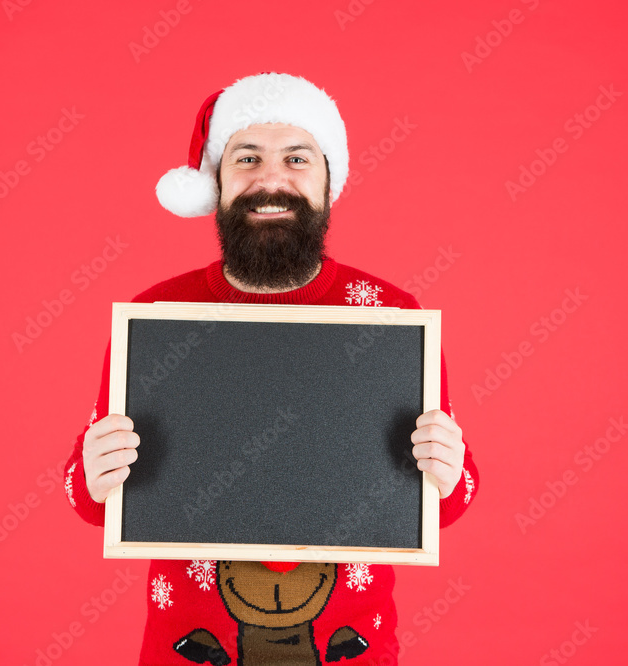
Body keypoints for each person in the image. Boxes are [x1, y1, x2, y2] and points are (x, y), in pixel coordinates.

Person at [64, 72, 479, 665]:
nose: (271, 179)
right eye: (248, 157)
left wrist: (450, 468)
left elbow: (453, 497)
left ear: (329, 181)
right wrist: (92, 472)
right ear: (218, 180)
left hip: (350, 651)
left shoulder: (391, 319)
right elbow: (86, 496)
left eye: (297, 158)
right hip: (187, 652)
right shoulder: (158, 318)